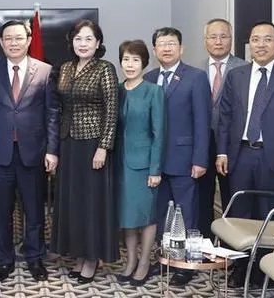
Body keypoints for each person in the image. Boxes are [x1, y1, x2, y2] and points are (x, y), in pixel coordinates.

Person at [217, 20, 274, 287]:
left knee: (269, 214)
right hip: (240, 154)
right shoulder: (237, 76)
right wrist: (221, 152)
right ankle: (241, 269)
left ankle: (264, 271)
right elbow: (225, 118)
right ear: (249, 45)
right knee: (239, 215)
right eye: (255, 39)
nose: (261, 45)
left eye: (267, 39)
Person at [0, 19, 59, 283]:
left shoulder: (45, 71)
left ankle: (35, 258)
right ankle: (5, 259)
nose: (13, 42)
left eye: (18, 38)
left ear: (28, 39)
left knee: (34, 210)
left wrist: (53, 150)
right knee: (2, 211)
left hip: (33, 153)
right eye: (8, 38)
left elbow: (52, 114)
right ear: (1, 43)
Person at [50, 19, 119, 284]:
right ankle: (79, 254)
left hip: (93, 145)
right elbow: (60, 107)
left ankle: (92, 259)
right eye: (78, 39)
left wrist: (103, 147)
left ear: (98, 43)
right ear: (72, 42)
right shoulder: (65, 68)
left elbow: (112, 110)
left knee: (92, 203)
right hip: (69, 144)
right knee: (73, 203)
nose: (83, 43)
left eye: (89, 39)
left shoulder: (105, 68)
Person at [143, 27, 211, 286]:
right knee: (162, 214)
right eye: (161, 44)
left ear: (181, 48)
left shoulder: (195, 77)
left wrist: (200, 159)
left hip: (184, 160)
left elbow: (202, 122)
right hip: (155, 162)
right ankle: (168, 259)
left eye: (172, 43)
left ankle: (187, 264)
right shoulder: (148, 78)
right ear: (154, 49)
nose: (167, 48)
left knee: (187, 214)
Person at [116, 39, 165, 286]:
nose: (130, 64)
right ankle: (130, 261)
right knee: (126, 216)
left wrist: (155, 169)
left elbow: (159, 133)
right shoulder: (116, 89)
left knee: (145, 216)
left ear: (145, 63)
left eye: (135, 60)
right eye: (126, 59)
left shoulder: (154, 91)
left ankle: (145, 262)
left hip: (144, 166)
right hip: (119, 165)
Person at [198, 18, 246, 240]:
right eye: (212, 36)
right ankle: (205, 246)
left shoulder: (245, 69)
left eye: (223, 36)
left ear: (231, 38)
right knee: (202, 197)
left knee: (232, 197)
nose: (218, 41)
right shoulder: (195, 70)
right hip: (201, 143)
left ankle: (230, 251)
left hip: (232, 144)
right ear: (205, 40)